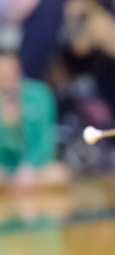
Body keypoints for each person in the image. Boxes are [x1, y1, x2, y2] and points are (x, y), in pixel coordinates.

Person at [0, 50, 70, 190]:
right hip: (4, 168)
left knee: (59, 174)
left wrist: (29, 166)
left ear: (18, 70)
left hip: (35, 167)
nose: (5, 76)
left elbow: (45, 137)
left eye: (9, 71)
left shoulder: (40, 94)